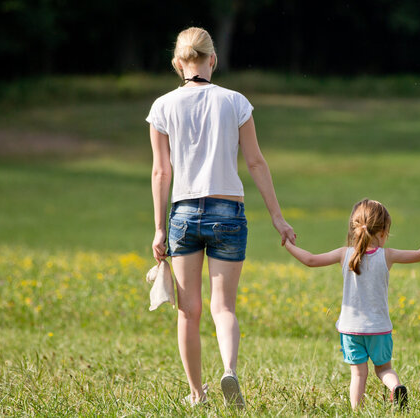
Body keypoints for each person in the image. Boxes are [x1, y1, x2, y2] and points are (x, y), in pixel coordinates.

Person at [147, 27, 296, 408]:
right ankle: (229, 370)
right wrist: (278, 218)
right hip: (228, 211)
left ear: (178, 63)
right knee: (223, 307)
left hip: (183, 213)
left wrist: (160, 228)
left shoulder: (163, 106)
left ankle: (197, 394)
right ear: (212, 59)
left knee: (189, 311)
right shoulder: (235, 101)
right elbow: (256, 162)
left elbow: (161, 172)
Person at [284, 199, 420, 410]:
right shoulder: (387, 256)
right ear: (383, 231)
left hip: (351, 330)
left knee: (358, 373)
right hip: (379, 329)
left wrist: (288, 244)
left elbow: (310, 260)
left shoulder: (344, 254)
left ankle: (356, 412)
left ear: (354, 228)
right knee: (383, 370)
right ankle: (396, 386)